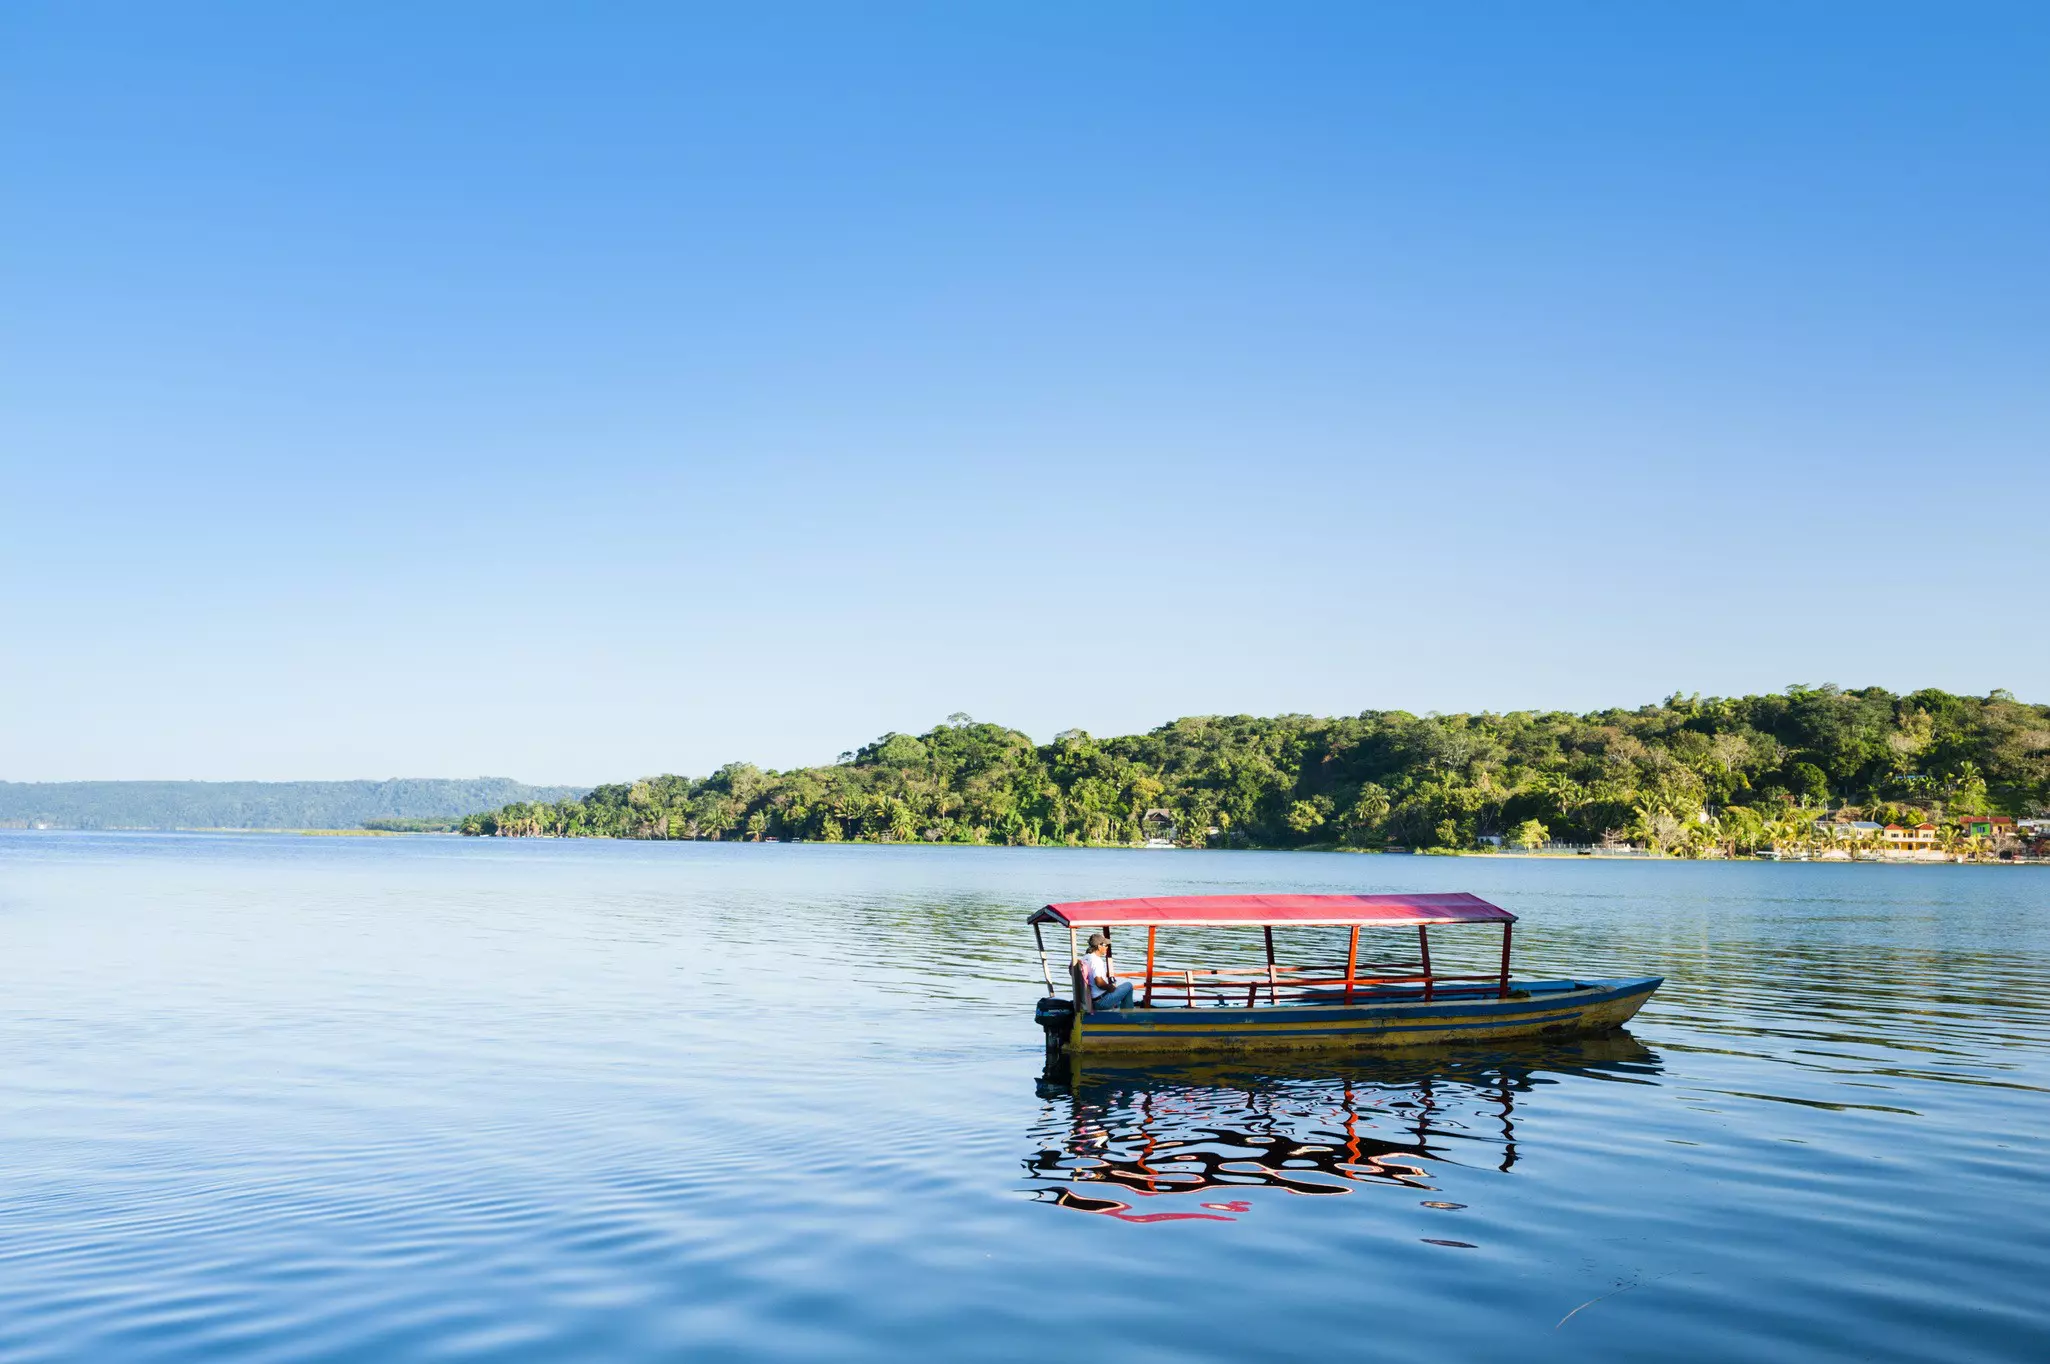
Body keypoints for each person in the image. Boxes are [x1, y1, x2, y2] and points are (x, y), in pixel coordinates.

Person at [1077, 932, 1136, 1012]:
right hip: (1101, 1002)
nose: (1107, 947)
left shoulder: (1085, 957)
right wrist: (1110, 987)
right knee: (1128, 986)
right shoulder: (1096, 961)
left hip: (1092, 999)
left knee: (1119, 993)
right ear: (1099, 946)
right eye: (1106, 945)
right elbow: (1099, 982)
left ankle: (1123, 1011)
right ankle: (1128, 1017)